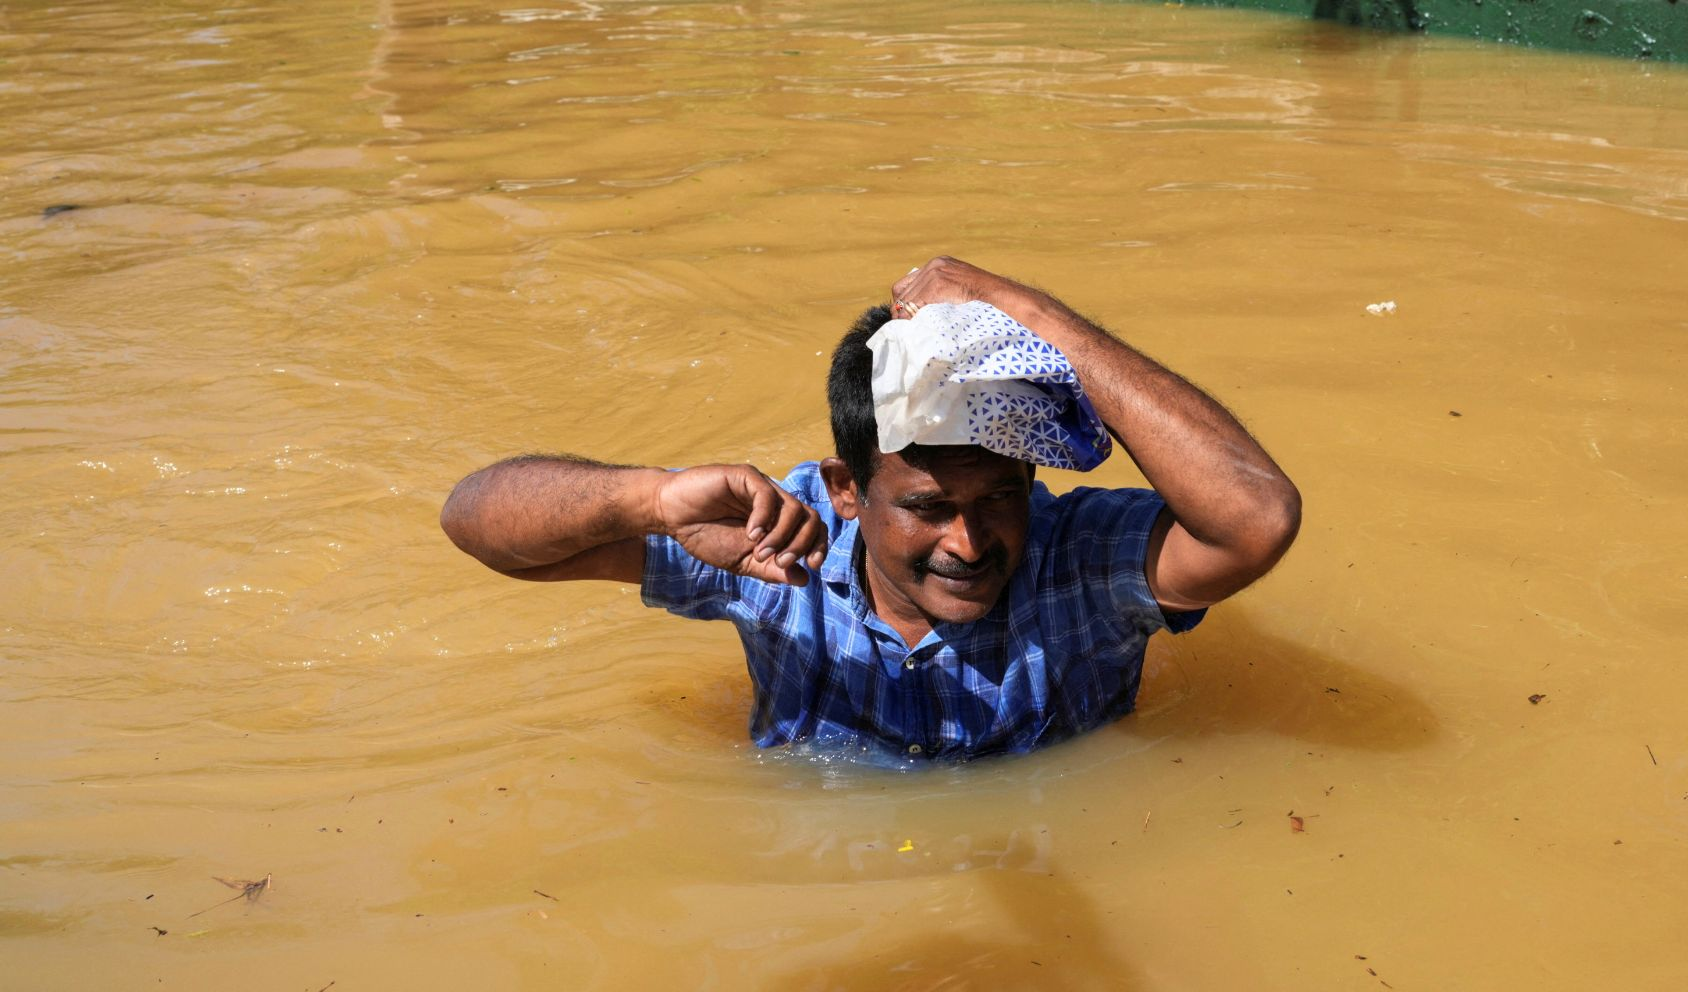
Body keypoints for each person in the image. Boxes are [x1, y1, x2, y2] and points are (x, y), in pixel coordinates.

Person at [440, 257, 1300, 763]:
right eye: (926, 507)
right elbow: (476, 524)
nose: (969, 541)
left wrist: (1027, 314)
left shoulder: (1081, 561)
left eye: (1000, 496)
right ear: (846, 491)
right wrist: (651, 499)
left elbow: (1256, 518)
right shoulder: (775, 542)